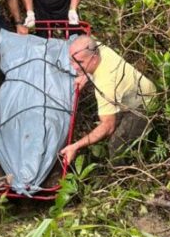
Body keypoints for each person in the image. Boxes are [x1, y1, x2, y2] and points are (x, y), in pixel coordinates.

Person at [59, 35, 156, 166]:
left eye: (80, 63)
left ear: (94, 59)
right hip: (136, 89)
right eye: (72, 61)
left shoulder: (105, 84)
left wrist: (75, 146)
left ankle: (124, 176)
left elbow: (108, 127)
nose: (75, 67)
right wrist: (85, 74)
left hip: (144, 104)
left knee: (115, 146)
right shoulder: (97, 47)